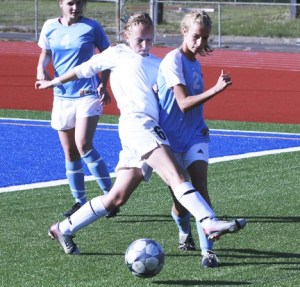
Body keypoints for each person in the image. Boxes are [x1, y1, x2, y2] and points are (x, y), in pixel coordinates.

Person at [35, 12, 246, 256]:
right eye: (139, 40)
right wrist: (55, 82)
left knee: (116, 197)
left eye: (149, 39)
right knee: (175, 174)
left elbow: (171, 103)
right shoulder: (117, 53)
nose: (145, 45)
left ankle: (63, 228)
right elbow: (83, 69)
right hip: (137, 124)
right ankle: (208, 221)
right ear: (126, 37)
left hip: (148, 128)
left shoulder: (159, 64)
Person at [157, 10, 234, 268]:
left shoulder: (194, 62)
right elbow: (183, 104)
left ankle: (207, 252)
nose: (200, 43)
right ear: (184, 31)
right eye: (196, 36)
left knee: (201, 189)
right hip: (169, 139)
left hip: (195, 135)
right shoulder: (172, 61)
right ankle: (184, 231)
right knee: (181, 202)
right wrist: (216, 89)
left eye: (205, 38)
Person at [36, 0, 119, 218]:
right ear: (60, 3)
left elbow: (108, 58)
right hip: (61, 96)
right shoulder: (49, 27)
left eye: (80, 3)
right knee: (70, 151)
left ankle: (110, 197)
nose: (76, 7)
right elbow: (45, 53)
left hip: (87, 94)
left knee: (83, 145)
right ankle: (79, 201)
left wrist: (103, 83)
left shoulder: (92, 27)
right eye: (71, 3)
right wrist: (40, 69)